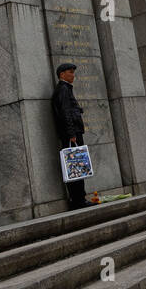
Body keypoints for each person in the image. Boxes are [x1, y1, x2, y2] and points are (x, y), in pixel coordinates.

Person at [51, 63, 92, 208]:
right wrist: (71, 133)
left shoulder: (65, 89)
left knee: (77, 166)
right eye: (70, 72)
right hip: (71, 134)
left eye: (73, 72)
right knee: (75, 166)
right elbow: (65, 113)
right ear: (62, 74)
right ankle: (78, 200)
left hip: (72, 132)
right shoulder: (63, 89)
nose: (73, 75)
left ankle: (79, 198)